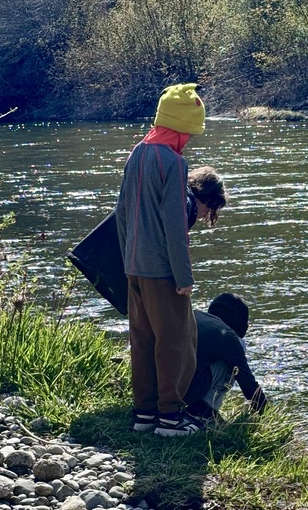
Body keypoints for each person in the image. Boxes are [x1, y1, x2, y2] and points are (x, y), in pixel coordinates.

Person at [115, 83, 209, 437]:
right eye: (190, 132)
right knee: (176, 341)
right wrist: (184, 276)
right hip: (162, 270)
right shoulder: (173, 162)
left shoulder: (137, 153)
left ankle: (144, 414)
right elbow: (174, 225)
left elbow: (121, 214)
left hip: (134, 267)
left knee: (142, 340)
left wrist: (128, 260)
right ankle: (170, 417)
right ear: (181, 129)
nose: (190, 140)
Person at [185, 292, 268, 420]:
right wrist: (266, 412)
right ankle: (205, 411)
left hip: (158, 391)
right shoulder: (227, 336)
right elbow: (247, 383)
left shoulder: (192, 316)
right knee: (235, 356)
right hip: (186, 391)